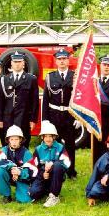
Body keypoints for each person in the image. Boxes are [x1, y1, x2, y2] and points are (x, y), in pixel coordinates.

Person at [42, 48, 78, 179]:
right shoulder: (50, 77)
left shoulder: (74, 76)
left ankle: (71, 171)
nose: (62, 61)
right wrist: (45, 119)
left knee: (70, 145)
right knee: (53, 145)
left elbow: (79, 97)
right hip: (54, 115)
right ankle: (54, 170)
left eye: (64, 59)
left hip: (69, 115)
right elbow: (46, 99)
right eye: (59, 59)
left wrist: (78, 117)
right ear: (56, 61)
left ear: (68, 60)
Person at [0, 51, 39, 149]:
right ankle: (8, 164)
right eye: (15, 62)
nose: (17, 64)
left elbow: (34, 101)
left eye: (19, 62)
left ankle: (23, 163)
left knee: (24, 144)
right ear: (11, 63)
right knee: (7, 145)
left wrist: (33, 119)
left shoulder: (31, 79)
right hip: (8, 118)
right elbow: (0, 101)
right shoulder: (4, 79)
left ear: (23, 63)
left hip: (24, 117)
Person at [29, 121, 71, 207]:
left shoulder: (60, 147)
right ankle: (46, 190)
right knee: (33, 193)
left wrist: (53, 163)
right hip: (43, 176)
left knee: (58, 166)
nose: (48, 139)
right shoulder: (38, 149)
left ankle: (54, 196)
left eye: (50, 136)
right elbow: (34, 167)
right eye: (46, 136)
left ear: (54, 137)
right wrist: (43, 173)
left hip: (56, 174)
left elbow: (67, 162)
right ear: (42, 137)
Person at [0, 125, 38, 203]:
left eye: (16, 139)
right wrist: (12, 167)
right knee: (0, 171)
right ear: (8, 140)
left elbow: (32, 170)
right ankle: (6, 196)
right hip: (9, 175)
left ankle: (23, 191)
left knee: (25, 201)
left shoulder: (26, 153)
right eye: (12, 139)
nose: (14, 142)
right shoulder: (4, 150)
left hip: (22, 178)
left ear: (20, 139)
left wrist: (19, 172)